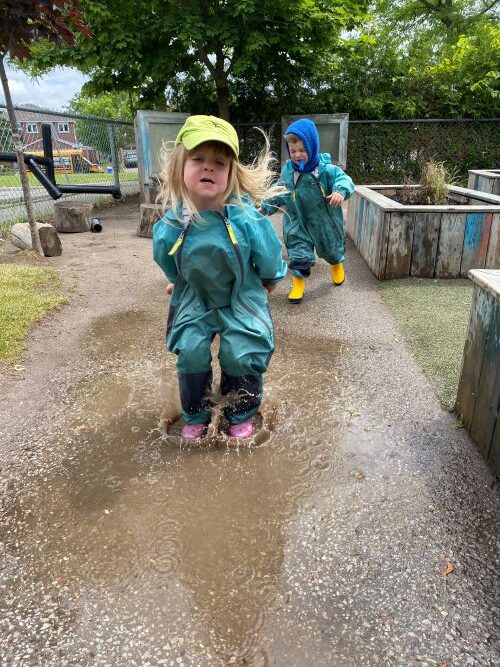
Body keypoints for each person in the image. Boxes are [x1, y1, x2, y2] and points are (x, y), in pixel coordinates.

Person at [153, 115, 287, 440]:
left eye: (219, 162)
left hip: (240, 295)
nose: (208, 168)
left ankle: (240, 410)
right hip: (195, 295)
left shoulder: (246, 218)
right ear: (180, 168)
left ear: (231, 174)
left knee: (243, 349)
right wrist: (176, 280)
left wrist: (270, 279)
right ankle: (195, 413)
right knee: (190, 348)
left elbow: (269, 255)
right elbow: (166, 258)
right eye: (197, 159)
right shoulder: (172, 225)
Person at [261, 118, 355, 303]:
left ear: (313, 147)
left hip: (323, 220)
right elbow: (279, 192)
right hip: (297, 221)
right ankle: (298, 283)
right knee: (298, 254)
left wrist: (339, 191)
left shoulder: (325, 170)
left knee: (331, 249)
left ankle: (336, 263)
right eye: (293, 151)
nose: (297, 155)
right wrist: (265, 206)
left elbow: (344, 180)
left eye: (303, 150)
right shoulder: (288, 173)